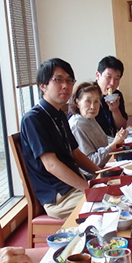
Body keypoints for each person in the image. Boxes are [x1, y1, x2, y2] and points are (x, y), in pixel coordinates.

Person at [20, 58, 100, 219]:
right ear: (43, 85)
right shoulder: (33, 119)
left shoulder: (59, 114)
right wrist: (89, 189)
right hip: (59, 198)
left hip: (75, 188)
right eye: (58, 80)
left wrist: (103, 175)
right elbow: (51, 165)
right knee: (111, 204)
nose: (66, 85)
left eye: (69, 80)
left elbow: (76, 154)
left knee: (119, 192)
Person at [68, 82, 128, 180]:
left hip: (106, 166)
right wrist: (113, 144)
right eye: (88, 101)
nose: (92, 106)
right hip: (93, 177)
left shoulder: (90, 118)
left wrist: (119, 138)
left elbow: (104, 139)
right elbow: (91, 162)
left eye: (96, 101)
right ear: (77, 102)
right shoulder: (77, 125)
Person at [94, 56, 128, 138]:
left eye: (117, 78)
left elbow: (122, 127)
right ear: (98, 75)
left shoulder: (117, 95)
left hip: (112, 141)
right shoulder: (87, 95)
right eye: (108, 77)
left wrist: (115, 110)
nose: (112, 83)